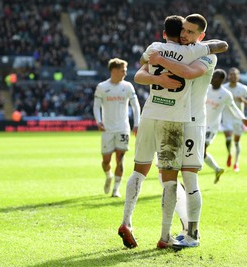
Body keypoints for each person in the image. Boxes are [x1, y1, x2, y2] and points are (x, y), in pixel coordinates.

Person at [118, 15, 228, 249]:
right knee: (167, 178)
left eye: (190, 32)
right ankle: (175, 231)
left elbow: (188, 71)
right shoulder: (183, 50)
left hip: (193, 121)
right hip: (174, 119)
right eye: (183, 31)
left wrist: (159, 60)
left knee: (188, 177)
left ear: (201, 36)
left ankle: (193, 233)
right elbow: (142, 72)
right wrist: (158, 72)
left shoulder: (205, 55)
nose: (185, 35)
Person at [93, 58, 141, 197]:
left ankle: (116, 190)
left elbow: (136, 106)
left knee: (120, 159)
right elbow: (96, 106)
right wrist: (98, 121)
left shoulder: (127, 86)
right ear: (113, 71)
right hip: (107, 129)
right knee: (106, 160)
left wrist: (136, 124)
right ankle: (108, 175)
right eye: (122, 70)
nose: (125, 73)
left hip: (123, 128)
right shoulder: (102, 87)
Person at [205, 69, 247, 183]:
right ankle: (218, 168)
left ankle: (232, 163)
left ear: (220, 80)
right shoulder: (206, 89)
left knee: (201, 150)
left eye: (214, 77)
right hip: (200, 123)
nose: (212, 78)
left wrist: (243, 118)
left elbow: (234, 108)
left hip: (211, 127)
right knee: (198, 151)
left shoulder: (226, 94)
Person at [221, 67, 247, 172]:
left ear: (239, 76)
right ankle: (229, 154)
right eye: (231, 74)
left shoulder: (243, 88)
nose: (233, 76)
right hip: (226, 117)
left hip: (238, 118)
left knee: (237, 142)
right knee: (228, 138)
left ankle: (236, 162)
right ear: (228, 76)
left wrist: (242, 100)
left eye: (235, 74)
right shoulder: (223, 88)